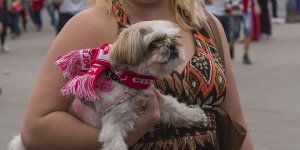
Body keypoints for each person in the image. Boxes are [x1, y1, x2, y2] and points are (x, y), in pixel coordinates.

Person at [19, 0, 253, 149]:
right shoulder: (89, 24)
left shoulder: (206, 23)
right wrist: (124, 136)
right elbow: (35, 129)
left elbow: (235, 120)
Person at [229, 0, 256, 64]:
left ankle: (246, 55)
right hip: (236, 9)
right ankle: (231, 46)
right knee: (235, 33)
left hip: (247, 9)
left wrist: (255, 4)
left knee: (248, 32)